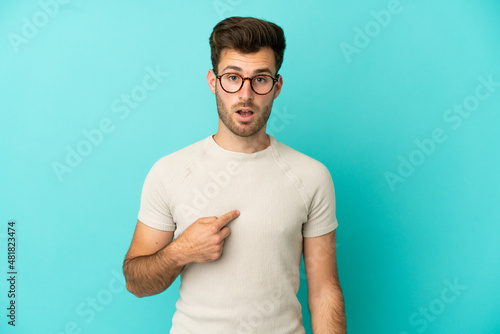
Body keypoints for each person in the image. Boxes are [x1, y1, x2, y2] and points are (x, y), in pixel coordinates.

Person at [123, 16, 346, 333]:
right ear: (213, 82)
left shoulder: (311, 176)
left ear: (276, 86)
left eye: (260, 79)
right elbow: (136, 282)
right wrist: (180, 251)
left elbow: (324, 290)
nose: (245, 94)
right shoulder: (169, 171)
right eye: (232, 78)